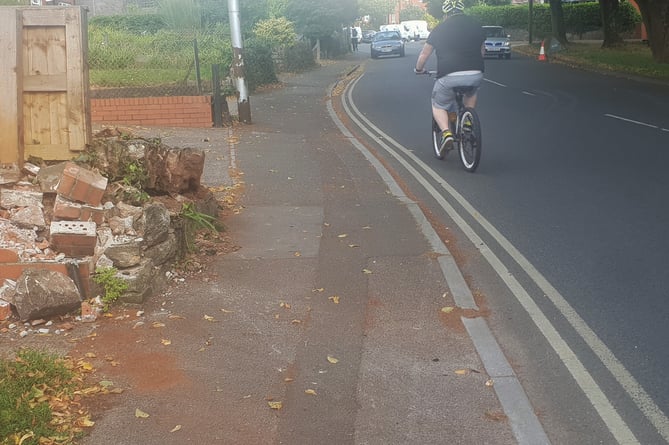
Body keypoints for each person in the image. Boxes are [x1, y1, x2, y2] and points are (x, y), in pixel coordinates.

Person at [414, 0, 485, 153]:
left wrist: (419, 69)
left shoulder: (439, 29)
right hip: (475, 72)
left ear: (445, 13)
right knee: (471, 91)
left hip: (449, 75)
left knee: (437, 104)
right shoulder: (476, 26)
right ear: (462, 11)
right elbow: (482, 51)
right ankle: (467, 121)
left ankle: (446, 133)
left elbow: (424, 54)